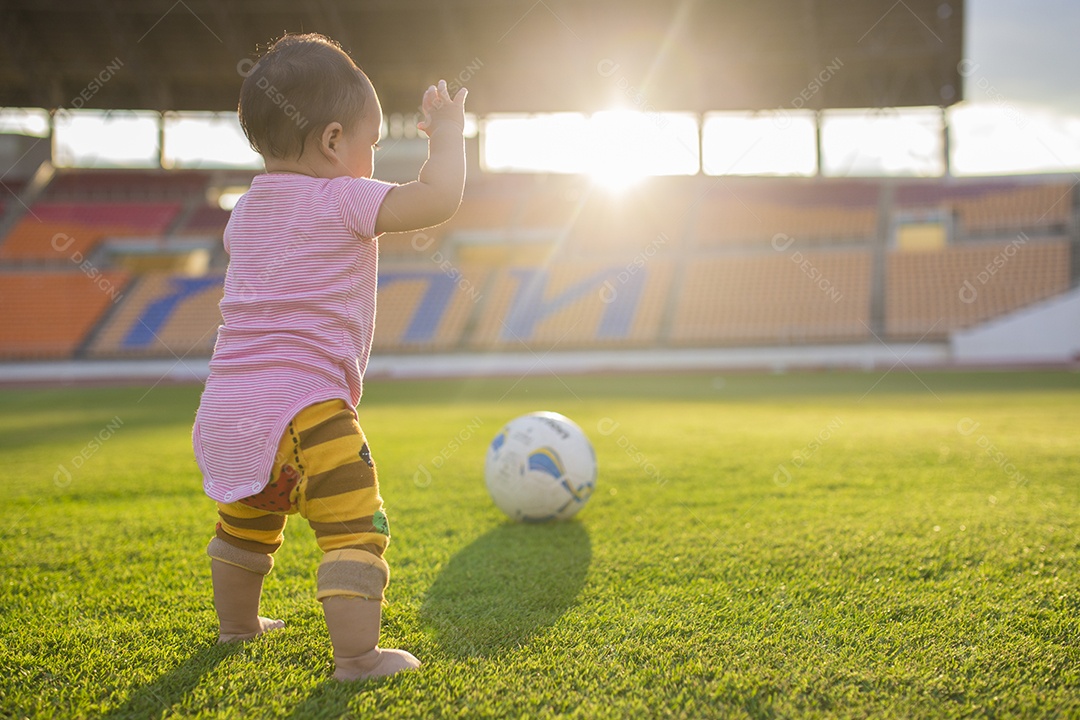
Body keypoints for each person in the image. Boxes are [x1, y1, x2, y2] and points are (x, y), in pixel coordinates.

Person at [192, 32, 467, 681]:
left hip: (229, 408)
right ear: (334, 141)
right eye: (370, 146)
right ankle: (357, 657)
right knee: (353, 528)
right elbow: (439, 200)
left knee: (245, 522)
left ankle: (237, 626)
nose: (372, 161)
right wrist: (447, 137)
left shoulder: (246, 210)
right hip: (310, 407)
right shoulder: (343, 196)